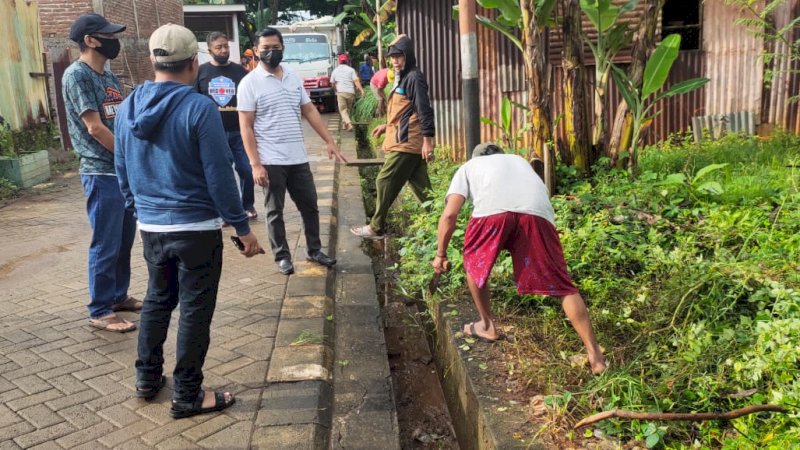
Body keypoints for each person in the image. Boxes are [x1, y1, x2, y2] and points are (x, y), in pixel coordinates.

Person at [115, 23, 263, 417]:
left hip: (152, 227)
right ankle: (187, 394)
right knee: (196, 310)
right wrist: (242, 227)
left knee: (157, 302)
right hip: (195, 228)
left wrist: (138, 209)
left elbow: (121, 167)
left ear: (152, 61)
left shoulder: (128, 105)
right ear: (194, 63)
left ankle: (147, 379)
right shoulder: (199, 108)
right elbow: (220, 175)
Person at [432, 143, 608, 375]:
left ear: (476, 157)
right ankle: (596, 356)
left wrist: (440, 254)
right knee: (563, 284)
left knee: (475, 264)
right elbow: (537, 198)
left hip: (491, 216)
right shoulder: (520, 162)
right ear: (500, 155)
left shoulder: (469, 166)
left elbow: (450, 214)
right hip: (537, 217)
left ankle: (487, 325)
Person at [238, 27, 347, 275]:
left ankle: (314, 250)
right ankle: (282, 257)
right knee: (275, 211)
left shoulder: (292, 77)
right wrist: (255, 164)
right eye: (265, 48)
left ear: (283, 49)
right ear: (256, 51)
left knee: (310, 205)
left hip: (298, 158)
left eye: (275, 48)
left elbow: (309, 111)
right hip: (271, 160)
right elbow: (245, 126)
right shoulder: (249, 83)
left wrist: (329, 141)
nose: (271, 52)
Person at [62, 13, 140, 333]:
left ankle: (118, 296)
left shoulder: (109, 77)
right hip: (100, 172)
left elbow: (118, 122)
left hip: (120, 172)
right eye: (107, 35)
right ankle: (99, 309)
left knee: (123, 241)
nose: (114, 40)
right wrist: (128, 157)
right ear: (90, 40)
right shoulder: (77, 76)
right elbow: (94, 128)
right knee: (105, 243)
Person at [350, 35, 434, 240]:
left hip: (407, 142)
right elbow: (404, 110)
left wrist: (428, 141)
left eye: (399, 56)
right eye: (392, 57)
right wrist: (386, 126)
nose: (395, 61)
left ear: (408, 56)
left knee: (383, 180)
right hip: (402, 138)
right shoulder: (403, 77)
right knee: (425, 191)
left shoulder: (414, 77)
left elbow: (424, 110)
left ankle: (376, 226)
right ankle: (440, 222)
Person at [195, 31, 257, 220]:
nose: (223, 50)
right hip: (214, 134)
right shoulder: (201, 72)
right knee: (221, 176)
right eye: (218, 47)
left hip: (239, 131)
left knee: (246, 170)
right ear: (209, 50)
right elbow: (194, 100)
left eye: (225, 46)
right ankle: (225, 212)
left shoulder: (240, 72)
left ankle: (247, 205)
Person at [330, 54, 363, 131]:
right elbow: (356, 81)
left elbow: (332, 83)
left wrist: (335, 90)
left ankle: (349, 124)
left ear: (339, 61)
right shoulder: (351, 70)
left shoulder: (335, 70)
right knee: (347, 110)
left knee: (343, 110)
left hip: (341, 92)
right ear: (347, 61)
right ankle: (345, 125)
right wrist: (361, 90)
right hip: (350, 92)